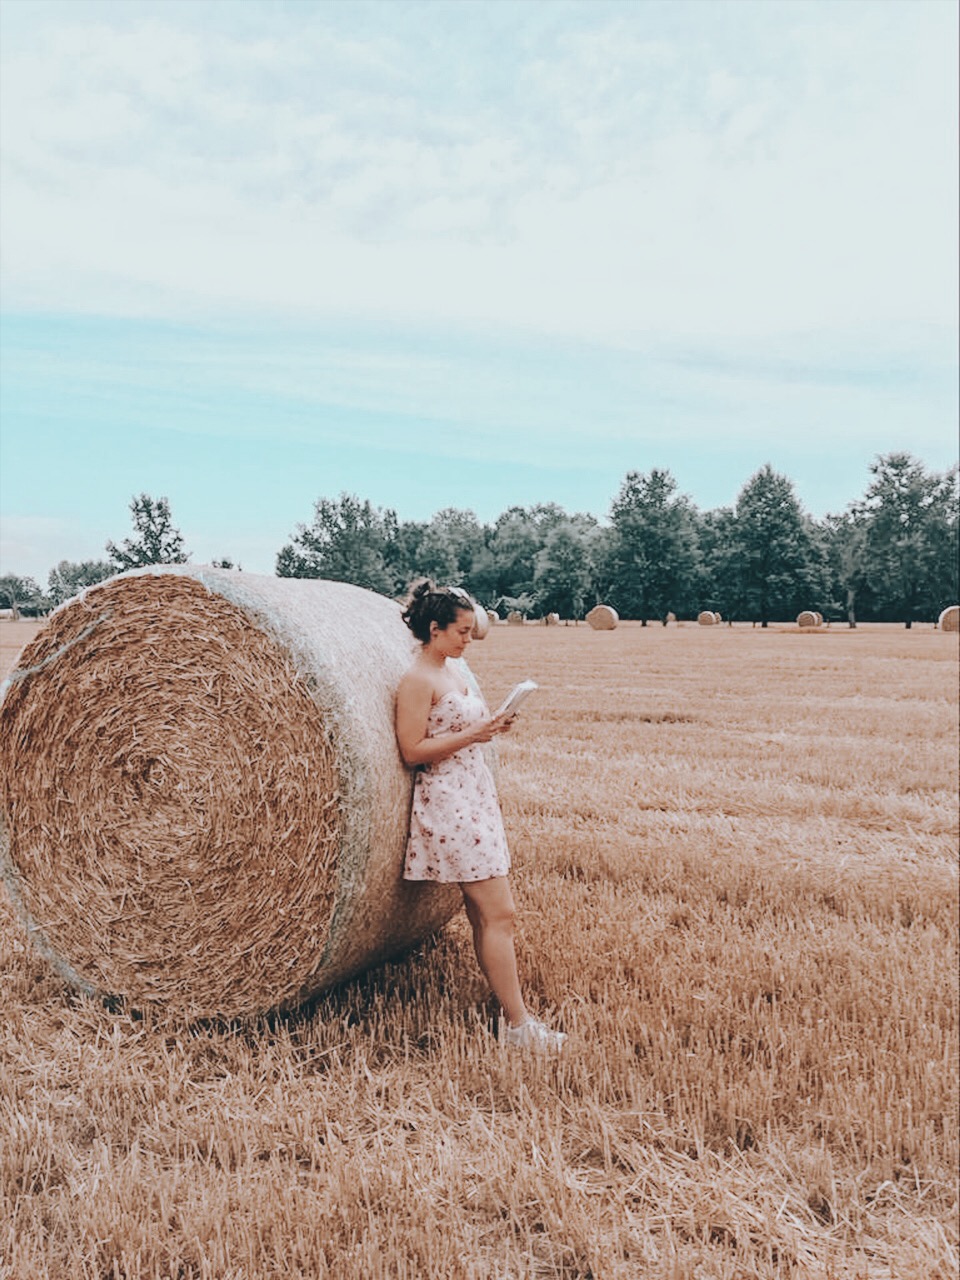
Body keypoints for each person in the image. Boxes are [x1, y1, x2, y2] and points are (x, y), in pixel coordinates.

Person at [395, 580, 566, 1052]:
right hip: (450, 804)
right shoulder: (418, 681)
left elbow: (464, 729)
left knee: (483, 913)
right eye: (463, 632)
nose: (469, 640)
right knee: (500, 912)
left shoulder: (454, 671)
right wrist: (476, 733)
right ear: (435, 629)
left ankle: (512, 1018)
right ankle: (519, 1026)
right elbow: (413, 751)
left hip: (475, 795)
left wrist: (492, 726)